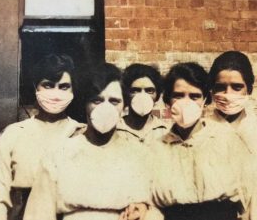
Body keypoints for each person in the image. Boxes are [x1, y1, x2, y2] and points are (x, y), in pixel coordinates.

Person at [23, 63, 163, 220]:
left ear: (124, 106)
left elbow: (154, 209)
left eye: (114, 101)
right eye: (97, 100)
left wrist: (144, 211)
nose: (106, 108)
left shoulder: (139, 156)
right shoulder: (59, 155)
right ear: (85, 104)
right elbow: (37, 214)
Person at [151, 62, 257, 220]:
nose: (187, 102)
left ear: (205, 100)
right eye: (178, 95)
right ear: (168, 101)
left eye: (195, 96)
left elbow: (251, 200)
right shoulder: (156, 148)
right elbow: (150, 205)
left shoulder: (227, 140)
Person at [0, 54, 85, 220]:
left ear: (73, 89)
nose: (56, 93)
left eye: (64, 87)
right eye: (48, 85)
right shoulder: (15, 134)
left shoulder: (81, 134)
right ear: (35, 87)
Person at [208, 50, 257, 220]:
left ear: (249, 89)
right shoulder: (201, 132)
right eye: (221, 87)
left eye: (237, 87)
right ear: (212, 90)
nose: (228, 95)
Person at [117, 63, 168, 145]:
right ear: (126, 94)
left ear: (157, 95)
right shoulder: (114, 130)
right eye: (135, 90)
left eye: (149, 91)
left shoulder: (165, 131)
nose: (143, 96)